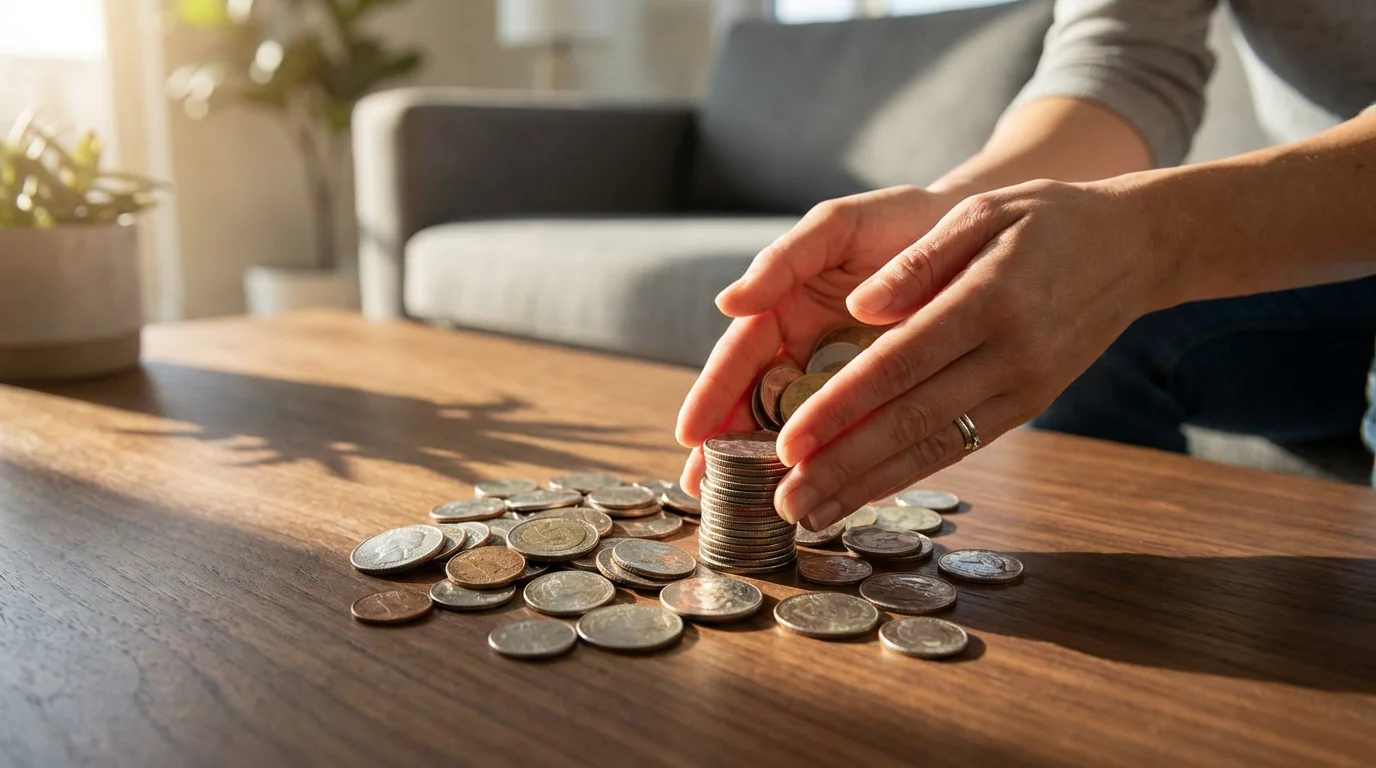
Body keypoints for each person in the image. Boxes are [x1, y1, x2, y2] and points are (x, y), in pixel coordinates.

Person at [674, 0, 1376, 532]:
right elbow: (1127, 64)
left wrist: (1149, 241)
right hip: (1305, 254)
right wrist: (958, 220)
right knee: (1066, 316)